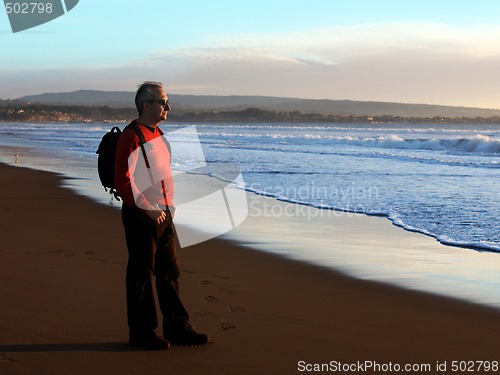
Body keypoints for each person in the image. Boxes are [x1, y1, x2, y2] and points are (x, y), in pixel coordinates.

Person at [115, 81, 208, 350]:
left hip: (164, 213)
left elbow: (161, 175)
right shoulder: (132, 136)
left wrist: (169, 204)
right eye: (163, 101)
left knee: (169, 272)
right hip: (142, 215)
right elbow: (124, 180)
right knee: (141, 274)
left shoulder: (158, 134)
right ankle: (142, 333)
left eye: (167, 101)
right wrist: (146, 206)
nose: (168, 106)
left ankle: (178, 328)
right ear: (147, 104)